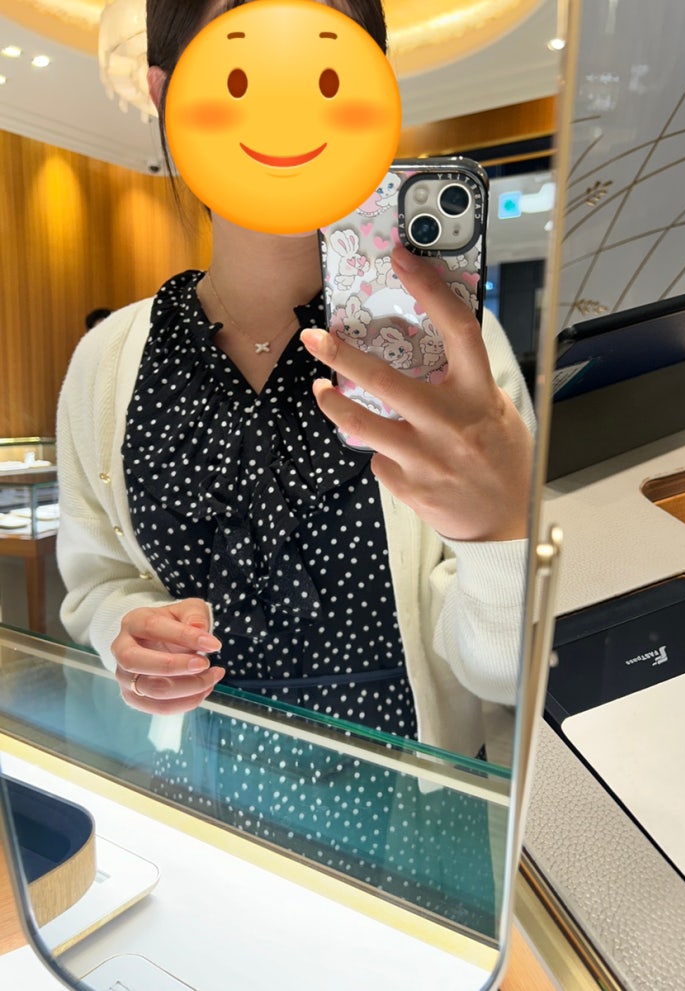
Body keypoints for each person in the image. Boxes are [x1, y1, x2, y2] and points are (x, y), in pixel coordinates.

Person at [55, 0, 535, 932]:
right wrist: (126, 630)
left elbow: (502, 672)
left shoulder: (448, 358)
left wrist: (502, 536)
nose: (283, 114)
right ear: (164, 95)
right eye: (241, 76)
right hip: (190, 792)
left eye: (321, 75)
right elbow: (97, 581)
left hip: (416, 809)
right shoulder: (109, 362)